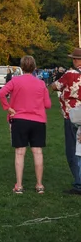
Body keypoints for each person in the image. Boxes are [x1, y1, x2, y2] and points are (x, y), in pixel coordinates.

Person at [0, 55, 51, 194]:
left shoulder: (15, 81)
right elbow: (48, 104)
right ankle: (39, 185)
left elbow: (1, 92)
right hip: (38, 121)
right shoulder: (40, 83)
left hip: (19, 119)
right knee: (37, 152)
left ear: (21, 67)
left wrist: (7, 107)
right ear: (34, 67)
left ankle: (19, 186)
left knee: (20, 152)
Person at [51, 47, 81, 195]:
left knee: (73, 150)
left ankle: (78, 183)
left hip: (73, 115)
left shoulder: (70, 74)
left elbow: (55, 86)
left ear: (76, 60)